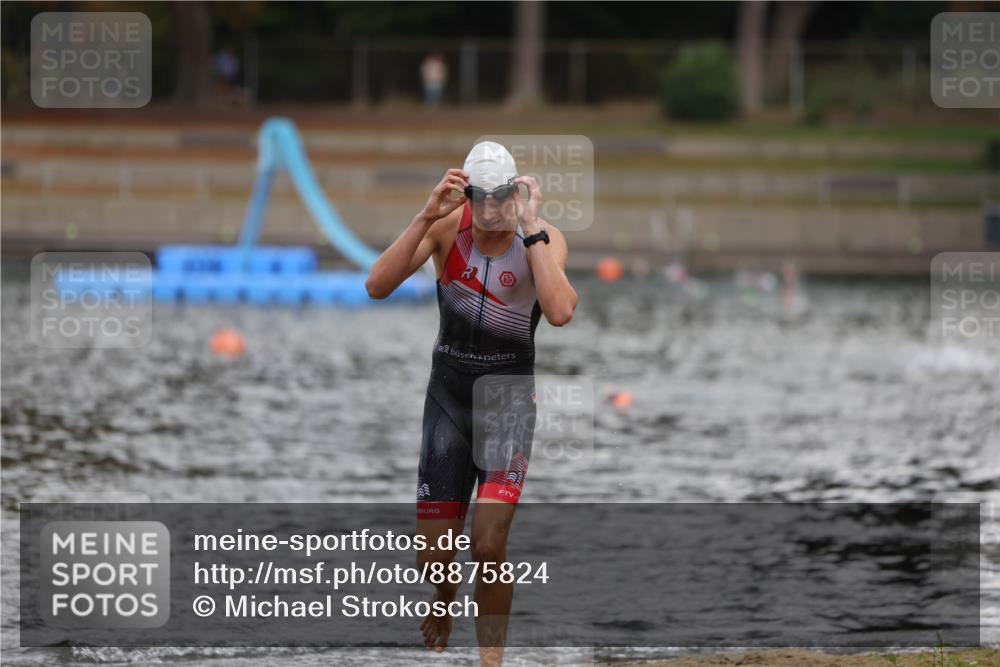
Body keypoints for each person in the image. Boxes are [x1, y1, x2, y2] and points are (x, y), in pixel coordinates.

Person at [366, 141, 577, 666]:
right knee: (436, 559)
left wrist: (532, 232)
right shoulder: (444, 227)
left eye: (500, 203)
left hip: (507, 404)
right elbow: (376, 286)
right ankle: (443, 600)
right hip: (448, 402)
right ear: (468, 196)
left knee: (487, 545)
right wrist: (424, 215)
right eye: (478, 204)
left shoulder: (541, 239)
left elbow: (560, 311)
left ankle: (491, 663)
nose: (489, 219)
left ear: (514, 194)